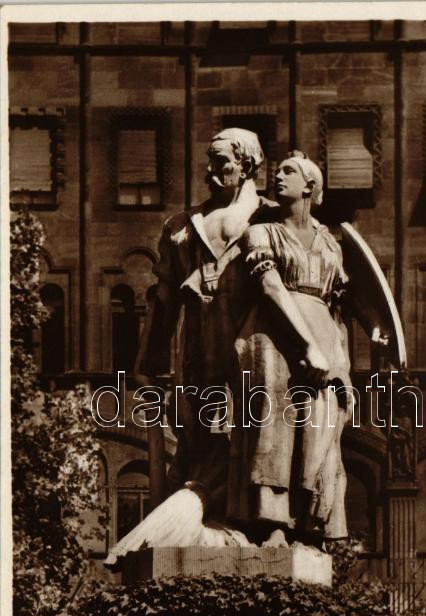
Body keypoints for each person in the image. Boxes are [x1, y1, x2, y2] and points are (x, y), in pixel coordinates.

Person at [105, 129, 276, 564]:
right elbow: (162, 302)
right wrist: (145, 363)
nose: (209, 171)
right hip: (197, 345)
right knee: (196, 435)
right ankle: (201, 519)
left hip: (252, 349)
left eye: (220, 162)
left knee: (250, 434)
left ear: (246, 165)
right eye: (209, 161)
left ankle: (246, 522)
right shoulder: (181, 226)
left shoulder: (271, 219)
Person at [226, 151, 354, 548]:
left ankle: (310, 527)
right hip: (274, 334)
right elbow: (271, 287)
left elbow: (338, 310)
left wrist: (341, 362)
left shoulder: (331, 244)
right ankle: (273, 525)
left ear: (310, 186)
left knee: (319, 429)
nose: (277, 176)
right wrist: (307, 345)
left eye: (288, 171)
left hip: (324, 336)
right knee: (274, 425)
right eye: (277, 170)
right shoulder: (261, 233)